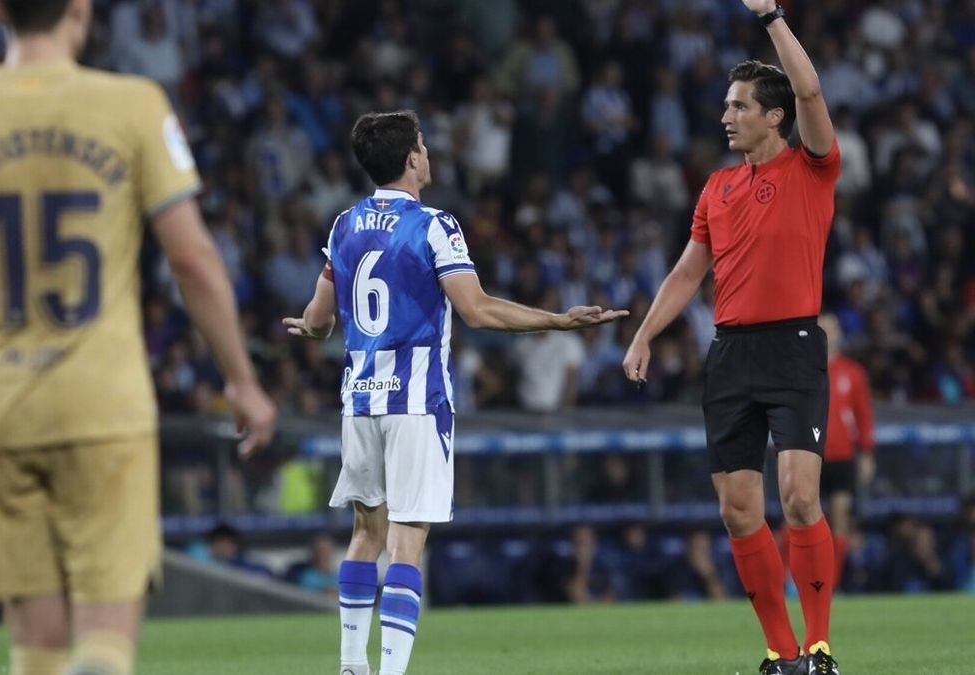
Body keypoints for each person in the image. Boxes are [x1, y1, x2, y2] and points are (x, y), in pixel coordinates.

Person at [0, 2, 277, 674]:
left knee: (37, 653)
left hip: (1, 412)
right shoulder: (134, 104)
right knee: (106, 645)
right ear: (81, 8)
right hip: (104, 408)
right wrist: (241, 378)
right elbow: (193, 258)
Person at [283, 110, 626, 675]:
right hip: (416, 400)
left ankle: (350, 665)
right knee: (407, 539)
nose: (428, 152)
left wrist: (309, 328)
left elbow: (318, 321)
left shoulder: (343, 225)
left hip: (361, 396)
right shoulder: (434, 225)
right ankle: (390, 671)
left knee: (364, 532)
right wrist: (560, 321)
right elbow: (479, 309)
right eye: (423, 144)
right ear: (413, 159)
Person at [622, 2, 842, 673]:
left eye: (739, 105)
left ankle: (820, 646)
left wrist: (773, 17)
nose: (726, 116)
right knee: (739, 508)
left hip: (793, 346)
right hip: (731, 354)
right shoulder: (717, 188)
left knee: (800, 496)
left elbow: (808, 89)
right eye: (726, 105)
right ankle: (780, 653)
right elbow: (690, 272)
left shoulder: (812, 167)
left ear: (773, 116)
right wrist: (645, 334)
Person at [818, 313, 875, 585]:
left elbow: (863, 415)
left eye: (833, 327)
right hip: (810, 456)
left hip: (842, 456)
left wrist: (866, 453)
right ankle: (797, 581)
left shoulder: (852, 372)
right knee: (803, 520)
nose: (829, 333)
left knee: (840, 518)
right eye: (824, 328)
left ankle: (832, 582)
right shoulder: (804, 370)